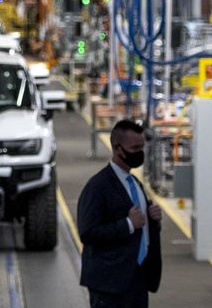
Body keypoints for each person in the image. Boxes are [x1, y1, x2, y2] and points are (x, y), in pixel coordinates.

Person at [77, 119, 162, 308]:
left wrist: (153, 219)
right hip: (110, 283)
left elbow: (143, 226)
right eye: (134, 148)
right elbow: (87, 232)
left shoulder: (135, 184)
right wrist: (128, 224)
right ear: (117, 149)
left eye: (142, 147)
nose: (140, 153)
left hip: (138, 277)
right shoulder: (97, 186)